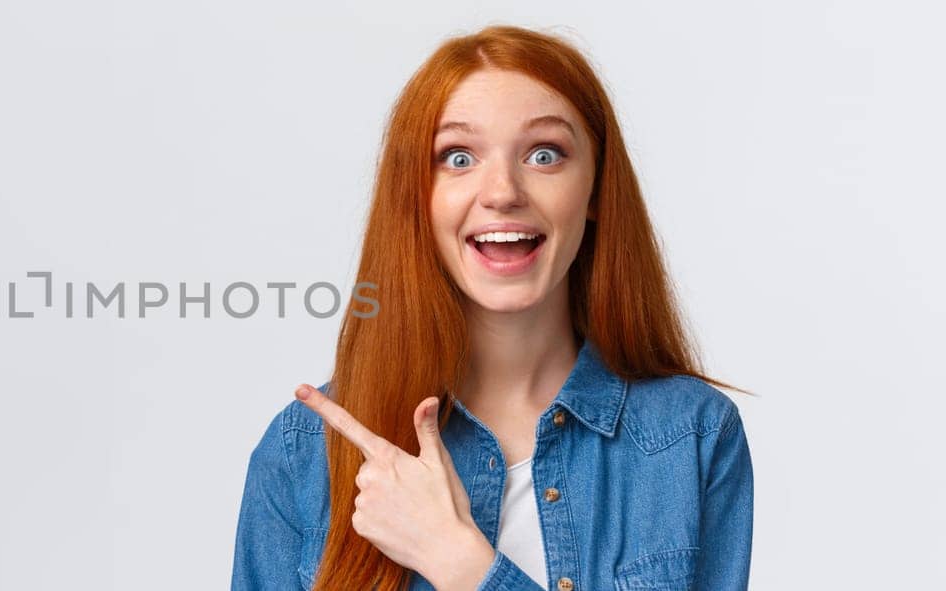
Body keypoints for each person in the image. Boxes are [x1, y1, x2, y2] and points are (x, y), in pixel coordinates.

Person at [230, 25, 754, 591]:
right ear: (417, 199)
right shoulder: (303, 455)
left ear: (598, 190)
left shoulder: (689, 435)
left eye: (545, 154)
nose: (502, 190)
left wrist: (460, 563)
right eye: (458, 157)